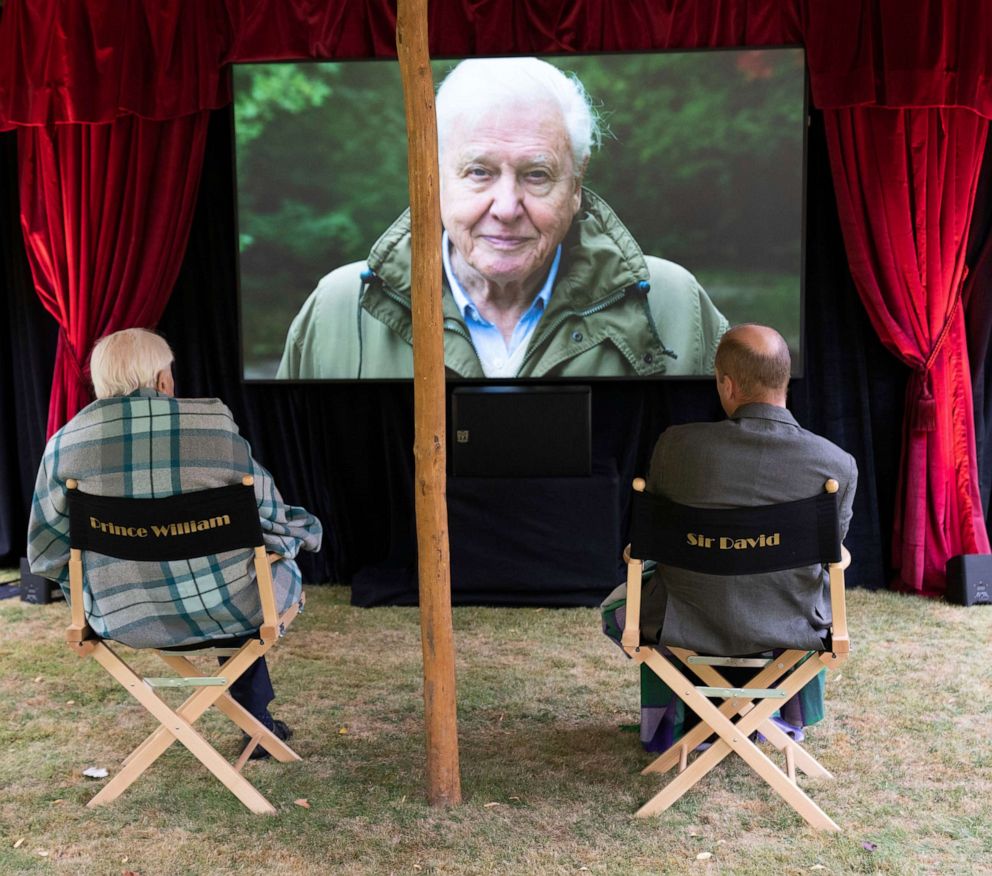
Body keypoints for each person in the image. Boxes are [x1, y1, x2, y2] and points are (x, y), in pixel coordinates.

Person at [277, 57, 728, 380]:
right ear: (431, 179)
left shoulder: (673, 307)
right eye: (479, 172)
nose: (507, 207)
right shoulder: (338, 310)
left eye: (536, 175)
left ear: (575, 184)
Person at [28, 328, 322, 758]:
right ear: (162, 380)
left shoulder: (64, 445)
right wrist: (299, 536)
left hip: (121, 616)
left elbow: (45, 550)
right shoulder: (214, 427)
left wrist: (105, 579)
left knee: (238, 568)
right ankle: (256, 722)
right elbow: (270, 513)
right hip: (232, 606)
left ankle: (257, 720)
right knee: (250, 569)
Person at [601, 324, 858, 751]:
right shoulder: (836, 464)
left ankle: (680, 723)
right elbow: (826, 556)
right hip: (790, 626)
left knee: (626, 598)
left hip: (682, 621)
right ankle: (776, 718)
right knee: (816, 585)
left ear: (727, 384)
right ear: (783, 379)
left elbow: (657, 538)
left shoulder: (675, 447)